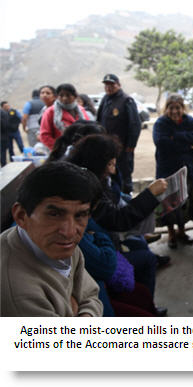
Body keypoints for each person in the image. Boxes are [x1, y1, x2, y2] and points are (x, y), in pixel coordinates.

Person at [66, 134, 170, 300]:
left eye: (114, 163)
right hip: (108, 250)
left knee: (140, 243)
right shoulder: (85, 190)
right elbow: (117, 220)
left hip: (110, 243)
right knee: (147, 258)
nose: (113, 170)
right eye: (110, 164)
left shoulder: (94, 178)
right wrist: (150, 194)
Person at [1, 161, 104, 316]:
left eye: (80, 215)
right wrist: (74, 306)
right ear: (21, 216)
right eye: (54, 214)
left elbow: (91, 295)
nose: (69, 232)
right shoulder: (16, 292)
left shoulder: (59, 245)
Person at [153, 93, 193, 248]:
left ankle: (182, 231)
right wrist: (186, 145)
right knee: (169, 202)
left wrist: (175, 136)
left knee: (185, 202)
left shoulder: (190, 121)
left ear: (183, 108)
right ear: (166, 108)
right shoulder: (161, 123)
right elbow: (161, 142)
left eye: (178, 108)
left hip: (188, 168)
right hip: (167, 169)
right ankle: (171, 233)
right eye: (171, 108)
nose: (175, 111)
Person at [97, 74, 141, 194]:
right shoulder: (105, 99)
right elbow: (99, 121)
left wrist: (131, 145)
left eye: (112, 84)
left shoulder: (127, 100)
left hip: (123, 148)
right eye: (106, 85)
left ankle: (127, 202)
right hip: (107, 147)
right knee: (109, 175)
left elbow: (135, 124)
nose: (108, 87)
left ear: (119, 85)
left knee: (124, 176)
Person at [39, 83, 89, 150]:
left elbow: (89, 130)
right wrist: (59, 148)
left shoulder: (81, 111)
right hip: (59, 152)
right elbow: (44, 135)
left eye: (68, 95)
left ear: (74, 96)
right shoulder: (50, 112)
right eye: (61, 95)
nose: (64, 98)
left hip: (80, 150)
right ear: (57, 97)